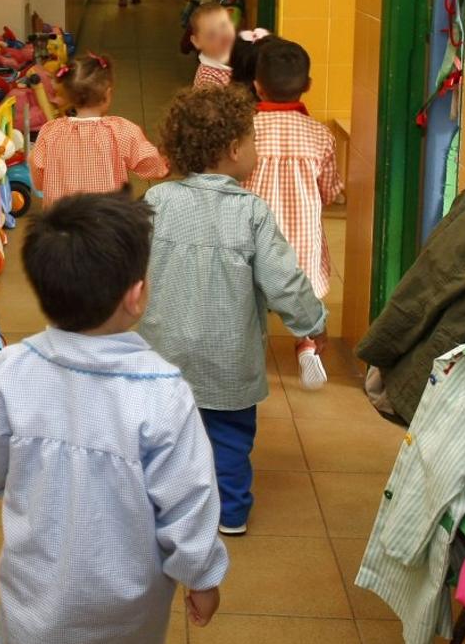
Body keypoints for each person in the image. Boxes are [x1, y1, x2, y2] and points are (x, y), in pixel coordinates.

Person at [0, 191, 229, 644]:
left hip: (34, 615)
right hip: (126, 624)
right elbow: (190, 498)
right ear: (136, 293)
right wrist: (201, 576)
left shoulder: (9, 371)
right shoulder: (163, 393)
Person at [138, 85, 328, 535]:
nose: (256, 149)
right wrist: (313, 322)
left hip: (162, 352)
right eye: (254, 140)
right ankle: (231, 513)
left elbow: (128, 268)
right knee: (229, 439)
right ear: (234, 149)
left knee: (161, 438)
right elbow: (284, 282)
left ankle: (159, 508)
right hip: (227, 358)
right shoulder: (252, 213)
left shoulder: (157, 202)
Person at [243, 38, 343, 387]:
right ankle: (307, 346)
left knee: (248, 296)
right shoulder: (320, 135)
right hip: (300, 241)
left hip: (252, 237)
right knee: (302, 296)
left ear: (256, 86)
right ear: (307, 86)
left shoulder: (247, 132)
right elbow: (329, 191)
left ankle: (247, 353)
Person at [30, 52, 169, 208]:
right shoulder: (121, 131)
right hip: (105, 223)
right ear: (107, 94)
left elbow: (37, 168)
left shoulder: (50, 131)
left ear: (68, 95)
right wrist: (167, 163)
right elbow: (150, 163)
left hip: (61, 223)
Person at [188, 3, 237, 87]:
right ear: (197, 41)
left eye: (225, 26)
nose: (223, 36)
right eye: (212, 34)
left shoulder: (232, 59)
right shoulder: (207, 80)